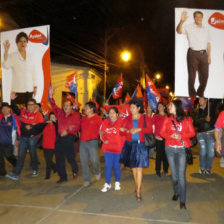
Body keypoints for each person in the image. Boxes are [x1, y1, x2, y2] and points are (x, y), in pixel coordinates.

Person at [160, 99, 195, 209]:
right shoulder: (167, 119)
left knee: (181, 175)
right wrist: (170, 136)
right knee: (174, 176)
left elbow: (192, 133)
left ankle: (183, 201)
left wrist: (181, 136)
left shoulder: (187, 119)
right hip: (170, 149)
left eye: (171, 105)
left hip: (182, 150)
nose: (169, 107)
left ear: (177, 107)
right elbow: (162, 132)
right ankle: (176, 192)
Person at [119, 99, 153, 201]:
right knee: (134, 168)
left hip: (140, 145)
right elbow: (122, 132)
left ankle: (138, 191)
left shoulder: (144, 117)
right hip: (130, 145)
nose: (131, 109)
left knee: (139, 168)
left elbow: (150, 130)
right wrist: (125, 131)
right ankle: (137, 186)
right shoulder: (127, 118)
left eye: (133, 107)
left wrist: (139, 129)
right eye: (130, 107)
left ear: (139, 108)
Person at [6, 98, 44, 181]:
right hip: (23, 138)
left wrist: (31, 126)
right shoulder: (23, 112)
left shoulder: (38, 115)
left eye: (32, 104)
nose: (30, 106)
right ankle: (16, 174)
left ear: (35, 105)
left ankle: (35, 169)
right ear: (27, 106)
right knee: (21, 156)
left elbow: (40, 127)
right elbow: (15, 109)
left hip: (32, 139)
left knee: (33, 155)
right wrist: (12, 100)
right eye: (28, 104)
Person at [49, 87, 80, 184]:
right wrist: (50, 96)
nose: (65, 107)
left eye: (67, 105)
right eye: (64, 105)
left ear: (71, 107)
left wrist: (67, 131)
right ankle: (63, 177)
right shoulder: (60, 113)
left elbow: (77, 125)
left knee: (70, 157)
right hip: (59, 138)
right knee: (59, 158)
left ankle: (75, 170)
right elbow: (53, 106)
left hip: (69, 138)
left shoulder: (75, 115)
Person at [176, 11, 211, 97]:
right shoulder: (189, 27)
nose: (198, 18)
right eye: (196, 17)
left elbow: (208, 43)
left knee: (205, 76)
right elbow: (178, 31)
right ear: (194, 18)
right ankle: (192, 95)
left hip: (203, 54)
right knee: (192, 76)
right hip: (192, 53)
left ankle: (200, 92)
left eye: (200, 17)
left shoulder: (206, 29)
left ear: (202, 18)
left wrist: (209, 55)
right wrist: (182, 21)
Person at [2, 32, 37, 104]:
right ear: (17, 43)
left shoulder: (30, 56)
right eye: (20, 41)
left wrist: (35, 86)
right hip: (17, 90)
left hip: (29, 89)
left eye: (24, 41)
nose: (23, 43)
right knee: (18, 113)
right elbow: (5, 65)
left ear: (27, 43)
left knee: (29, 112)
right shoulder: (13, 56)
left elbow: (33, 72)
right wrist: (6, 51)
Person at [99, 107, 125, 192]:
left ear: (117, 114)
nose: (111, 114)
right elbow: (101, 132)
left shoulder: (121, 121)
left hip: (118, 148)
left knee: (117, 166)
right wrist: (104, 139)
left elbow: (126, 133)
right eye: (110, 113)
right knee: (108, 166)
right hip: (108, 148)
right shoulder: (105, 122)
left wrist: (123, 131)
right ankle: (107, 183)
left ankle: (117, 182)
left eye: (113, 113)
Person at [80, 101, 102, 187]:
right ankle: (86, 179)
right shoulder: (84, 118)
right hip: (83, 142)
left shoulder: (97, 118)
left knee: (94, 160)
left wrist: (103, 134)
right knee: (84, 161)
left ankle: (97, 171)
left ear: (91, 109)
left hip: (93, 142)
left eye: (86, 107)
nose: (84, 109)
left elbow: (102, 129)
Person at [193, 97, 216, 174]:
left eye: (201, 99)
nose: (199, 101)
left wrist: (210, 120)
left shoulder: (211, 109)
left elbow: (215, 120)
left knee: (211, 153)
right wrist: (204, 119)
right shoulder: (196, 110)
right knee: (203, 152)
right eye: (199, 99)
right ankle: (202, 167)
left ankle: (208, 168)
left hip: (211, 133)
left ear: (206, 100)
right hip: (201, 134)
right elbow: (195, 122)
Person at [0, 103, 20, 177]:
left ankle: (17, 165)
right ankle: (2, 172)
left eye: (6, 108)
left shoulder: (14, 119)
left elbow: (18, 129)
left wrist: (18, 139)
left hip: (9, 141)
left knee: (8, 155)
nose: (4, 110)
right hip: (0, 141)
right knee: (0, 157)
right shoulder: (0, 118)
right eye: (3, 108)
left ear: (9, 109)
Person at [152, 102, 168, 177]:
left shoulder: (168, 116)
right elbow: (150, 124)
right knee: (158, 155)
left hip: (167, 138)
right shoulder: (155, 116)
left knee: (166, 155)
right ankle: (157, 170)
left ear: (164, 107)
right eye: (158, 106)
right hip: (158, 138)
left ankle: (165, 169)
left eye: (161, 106)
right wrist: (155, 135)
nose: (159, 107)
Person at [42, 112, 57, 179]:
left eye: (53, 117)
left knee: (48, 161)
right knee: (47, 160)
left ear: (56, 118)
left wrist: (53, 123)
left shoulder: (56, 126)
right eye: (50, 117)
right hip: (45, 145)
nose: (51, 119)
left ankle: (47, 175)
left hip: (52, 145)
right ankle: (55, 167)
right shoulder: (46, 125)